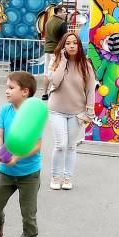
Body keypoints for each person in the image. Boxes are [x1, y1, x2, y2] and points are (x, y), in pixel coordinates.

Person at [0, 71, 42, 237]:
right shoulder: (5, 110)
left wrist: (17, 158)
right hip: (6, 172)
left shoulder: (33, 114)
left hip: (29, 173)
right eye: (7, 87)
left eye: (11, 88)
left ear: (25, 92)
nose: (7, 91)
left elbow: (37, 145)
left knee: (28, 213)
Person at [47, 32, 95, 191]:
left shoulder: (85, 64)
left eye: (75, 43)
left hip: (77, 112)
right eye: (68, 43)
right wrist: (62, 61)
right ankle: (55, 176)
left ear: (79, 45)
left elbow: (90, 90)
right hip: (57, 110)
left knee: (71, 146)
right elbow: (54, 80)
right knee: (61, 144)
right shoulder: (56, 60)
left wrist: (90, 111)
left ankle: (67, 178)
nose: (72, 46)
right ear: (63, 46)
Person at [41, 5, 68, 100]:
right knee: (57, 73)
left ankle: (44, 94)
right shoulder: (62, 23)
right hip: (57, 51)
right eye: (64, 12)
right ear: (59, 12)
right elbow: (65, 39)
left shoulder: (49, 21)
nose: (66, 14)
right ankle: (56, 94)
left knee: (47, 73)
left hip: (47, 50)